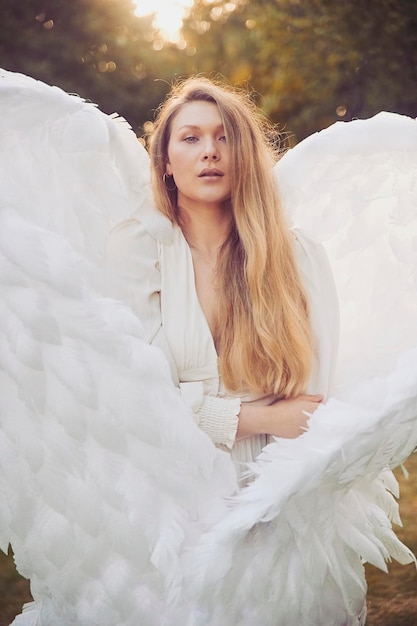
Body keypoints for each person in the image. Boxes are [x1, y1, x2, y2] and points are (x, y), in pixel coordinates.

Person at [104, 76, 339, 477]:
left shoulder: (297, 256)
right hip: (170, 482)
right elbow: (135, 400)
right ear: (164, 163)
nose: (210, 151)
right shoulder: (139, 252)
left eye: (225, 138)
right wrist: (260, 419)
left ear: (245, 154)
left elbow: (311, 406)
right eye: (191, 139)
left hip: (279, 477)